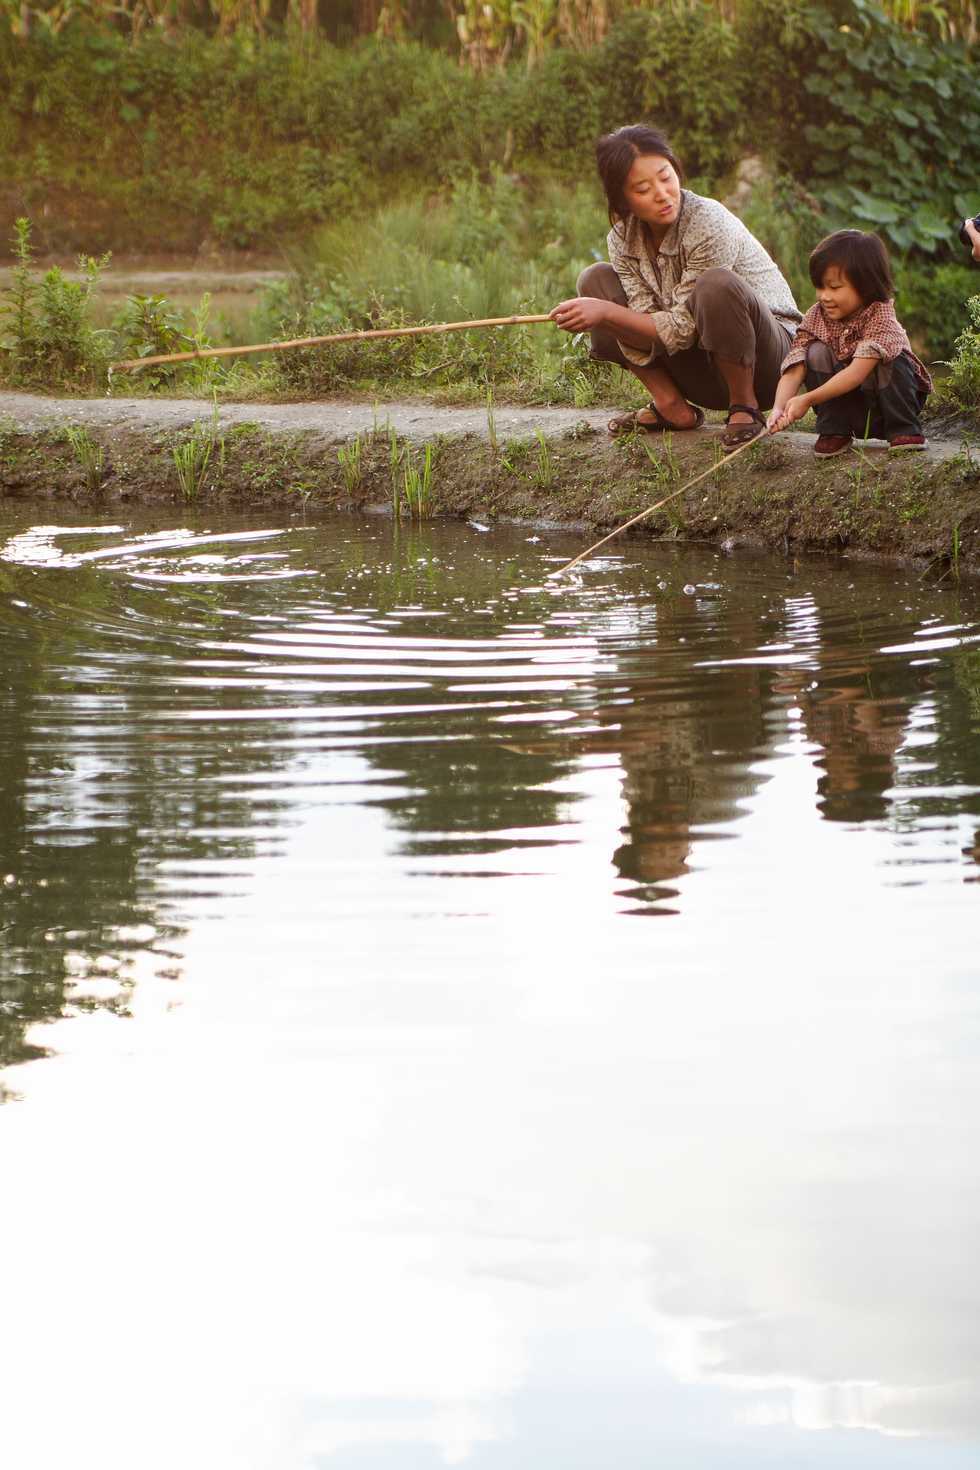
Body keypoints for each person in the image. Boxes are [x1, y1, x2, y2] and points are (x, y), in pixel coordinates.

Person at [549, 124, 802, 451]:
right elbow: (647, 322)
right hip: (700, 365)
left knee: (715, 285)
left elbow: (680, 328)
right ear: (622, 199)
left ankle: (745, 408)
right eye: (642, 189)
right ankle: (671, 405)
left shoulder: (709, 221)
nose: (662, 193)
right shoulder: (622, 239)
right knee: (594, 280)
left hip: (768, 366)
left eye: (666, 177)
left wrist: (606, 314)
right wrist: (604, 313)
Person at [767, 229, 931, 456]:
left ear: (865, 285)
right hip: (849, 406)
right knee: (814, 352)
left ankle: (903, 428)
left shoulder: (880, 315)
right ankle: (835, 430)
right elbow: (796, 366)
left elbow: (856, 373)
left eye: (834, 288)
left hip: (884, 407)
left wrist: (806, 399)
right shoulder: (817, 316)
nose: (824, 296)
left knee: (892, 357)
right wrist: (778, 408)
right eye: (820, 287)